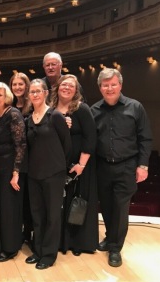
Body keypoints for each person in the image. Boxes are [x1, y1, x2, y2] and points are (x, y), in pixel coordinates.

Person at [91, 68, 152, 267]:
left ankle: (116, 248)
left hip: (127, 166)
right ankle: (110, 237)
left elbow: (145, 138)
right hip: (102, 166)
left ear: (120, 86)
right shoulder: (94, 111)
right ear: (100, 88)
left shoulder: (135, 107)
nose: (110, 88)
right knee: (107, 207)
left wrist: (142, 165)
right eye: (105, 85)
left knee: (120, 208)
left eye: (113, 84)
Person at [50, 74, 98, 256]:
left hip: (78, 166)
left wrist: (81, 165)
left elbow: (90, 138)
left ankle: (77, 243)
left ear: (76, 90)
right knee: (59, 205)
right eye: (64, 84)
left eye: (71, 86)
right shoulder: (51, 108)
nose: (67, 88)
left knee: (76, 204)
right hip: (57, 165)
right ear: (58, 87)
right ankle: (61, 241)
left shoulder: (82, 109)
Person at [25, 78, 71, 270]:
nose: (35, 94)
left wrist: (62, 168)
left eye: (38, 91)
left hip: (53, 173)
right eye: (32, 92)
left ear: (45, 93)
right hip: (34, 174)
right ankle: (38, 250)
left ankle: (49, 254)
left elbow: (66, 145)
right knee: (37, 214)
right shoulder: (28, 119)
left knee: (52, 215)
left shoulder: (55, 116)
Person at [0, 82, 26, 263]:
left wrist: (16, 172)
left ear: (6, 96)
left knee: (10, 208)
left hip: (10, 167)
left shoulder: (14, 114)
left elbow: (20, 145)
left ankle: (11, 248)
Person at [9, 72, 33, 244]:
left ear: (27, 86)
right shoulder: (9, 105)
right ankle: (20, 233)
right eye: (14, 84)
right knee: (19, 198)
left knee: (29, 200)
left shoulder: (33, 105)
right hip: (15, 158)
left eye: (21, 84)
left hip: (31, 158)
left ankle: (30, 234)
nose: (17, 87)